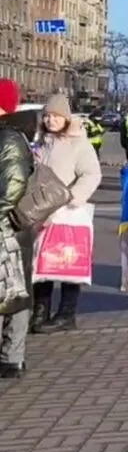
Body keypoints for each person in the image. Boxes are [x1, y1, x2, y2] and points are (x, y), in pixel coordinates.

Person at [28, 95, 103, 333]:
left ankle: (66, 313)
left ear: (66, 118)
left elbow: (91, 174)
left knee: (68, 262)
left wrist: (72, 197)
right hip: (42, 211)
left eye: (56, 116)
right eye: (48, 116)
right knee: (42, 264)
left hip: (68, 213)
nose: (51, 120)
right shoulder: (40, 141)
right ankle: (40, 311)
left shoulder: (78, 143)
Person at [0, 79, 34, 378]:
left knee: (14, 292)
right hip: (5, 226)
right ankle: (11, 356)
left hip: (8, 227)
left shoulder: (10, 139)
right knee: (10, 291)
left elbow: (12, 187)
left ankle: (13, 356)